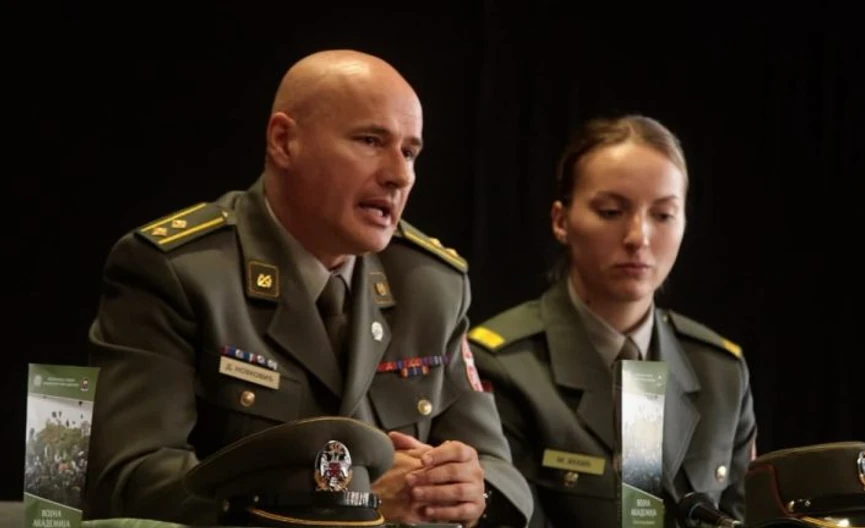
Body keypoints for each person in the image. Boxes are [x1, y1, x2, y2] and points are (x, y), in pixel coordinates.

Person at [83, 49, 532, 528]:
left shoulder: (432, 283)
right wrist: (348, 496)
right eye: (370, 140)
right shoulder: (179, 271)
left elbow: (501, 475)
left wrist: (466, 489)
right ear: (284, 141)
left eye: (409, 152)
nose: (399, 175)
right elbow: (130, 480)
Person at [468, 115, 758, 527]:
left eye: (663, 215)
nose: (638, 236)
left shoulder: (721, 373)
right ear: (561, 221)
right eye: (611, 211)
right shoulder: (502, 364)